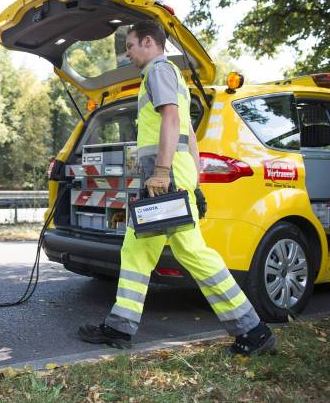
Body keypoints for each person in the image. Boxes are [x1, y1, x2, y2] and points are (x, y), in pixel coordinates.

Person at [78, 20, 276, 356]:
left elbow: (171, 119)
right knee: (137, 249)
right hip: (171, 177)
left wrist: (162, 171)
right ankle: (119, 327)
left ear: (149, 42)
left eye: (130, 45)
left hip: (164, 178)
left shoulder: (159, 71)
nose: (127, 52)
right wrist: (193, 184)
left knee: (193, 254)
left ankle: (253, 330)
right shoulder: (168, 76)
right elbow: (190, 137)